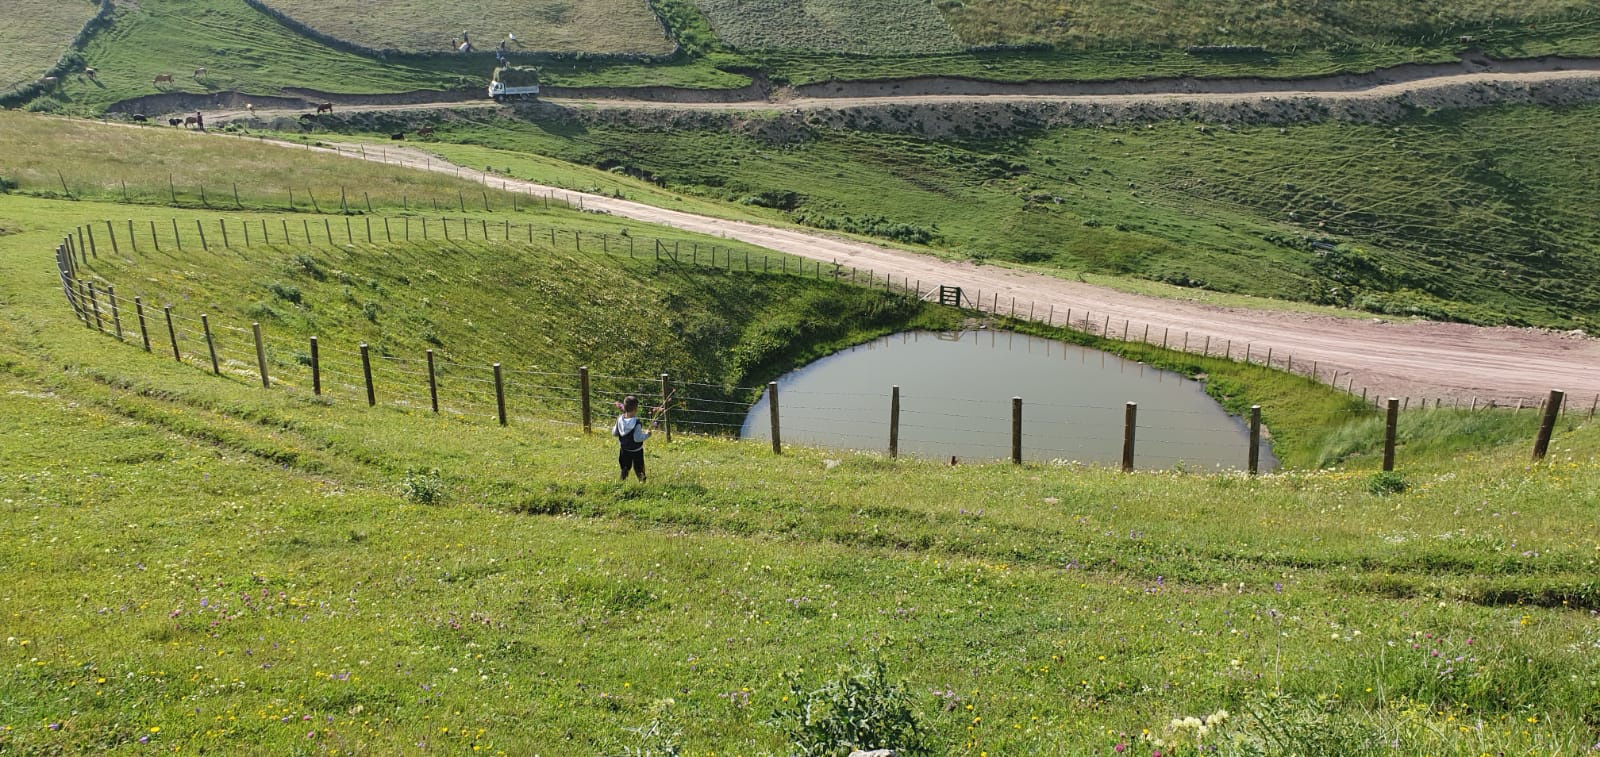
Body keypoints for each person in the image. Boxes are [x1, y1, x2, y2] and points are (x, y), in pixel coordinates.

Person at [612, 395, 654, 482]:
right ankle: (642, 482)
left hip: (624, 450)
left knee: (625, 467)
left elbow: (615, 433)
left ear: (625, 407)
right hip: (636, 451)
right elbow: (637, 439)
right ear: (636, 409)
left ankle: (622, 482)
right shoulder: (636, 423)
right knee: (639, 468)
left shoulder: (619, 419)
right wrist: (647, 435)